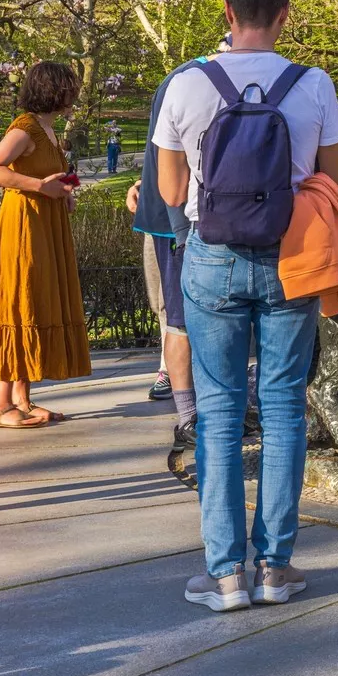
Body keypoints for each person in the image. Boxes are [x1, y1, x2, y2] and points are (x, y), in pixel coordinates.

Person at [154, 0, 338, 611]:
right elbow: (331, 182)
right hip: (291, 258)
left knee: (219, 410)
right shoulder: (314, 84)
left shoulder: (187, 84)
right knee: (286, 404)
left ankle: (226, 573)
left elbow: (173, 191)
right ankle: (275, 565)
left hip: (211, 258)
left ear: (228, 12)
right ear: (285, 12)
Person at [0, 62, 93, 429]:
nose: (75, 96)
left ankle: (21, 400)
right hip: (23, 225)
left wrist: (63, 192)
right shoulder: (25, 128)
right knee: (17, 300)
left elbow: (46, 174)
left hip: (44, 223)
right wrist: (43, 188)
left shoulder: (47, 129)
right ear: (55, 91)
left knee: (35, 301)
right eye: (69, 90)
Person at [128, 52, 213, 442]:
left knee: (179, 317)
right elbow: (167, 166)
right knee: (178, 316)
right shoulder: (189, 80)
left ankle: (192, 412)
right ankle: (190, 412)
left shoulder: (185, 80)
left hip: (178, 218)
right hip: (180, 221)